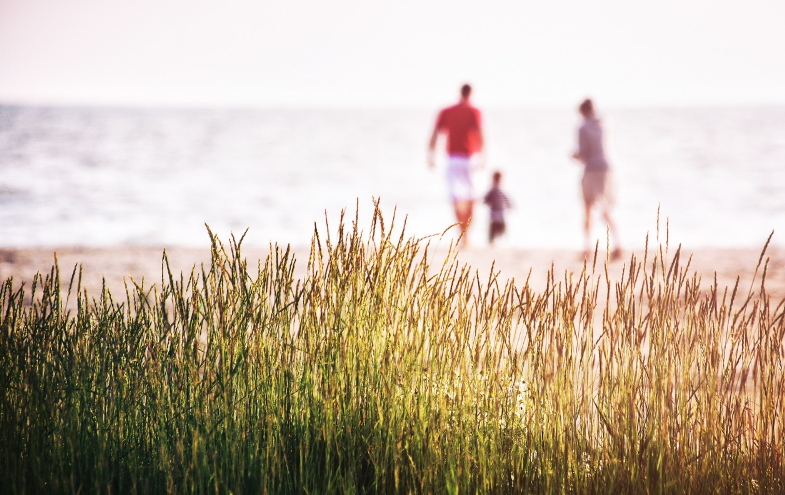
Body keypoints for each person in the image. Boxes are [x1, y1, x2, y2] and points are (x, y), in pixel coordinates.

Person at [428, 83, 485, 247]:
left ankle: (463, 234)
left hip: (453, 159)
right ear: (471, 93)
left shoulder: (446, 111)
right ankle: (467, 235)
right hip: (470, 158)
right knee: (471, 197)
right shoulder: (474, 111)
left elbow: (435, 134)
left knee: (456, 197)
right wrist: (483, 155)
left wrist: (431, 155)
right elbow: (480, 134)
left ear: (460, 92)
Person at [571, 98, 622, 260]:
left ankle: (587, 247)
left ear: (582, 112)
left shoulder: (583, 127)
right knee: (605, 209)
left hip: (592, 169)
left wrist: (575, 156)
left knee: (588, 208)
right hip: (607, 168)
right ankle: (618, 244)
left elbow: (584, 154)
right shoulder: (604, 124)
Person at [483, 170, 512, 246]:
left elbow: (486, 200)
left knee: (499, 228)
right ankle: (493, 241)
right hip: (496, 213)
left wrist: (508, 205)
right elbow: (486, 200)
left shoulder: (497, 190)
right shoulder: (493, 190)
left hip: (499, 213)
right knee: (496, 228)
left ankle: (498, 241)